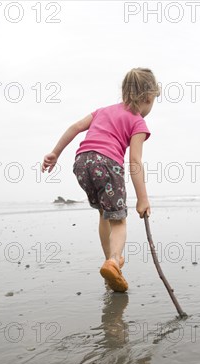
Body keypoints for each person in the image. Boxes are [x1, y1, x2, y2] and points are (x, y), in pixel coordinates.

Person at [42, 67, 159, 292]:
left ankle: (110, 263)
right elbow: (135, 161)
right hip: (107, 165)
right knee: (119, 220)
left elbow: (75, 128)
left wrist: (55, 153)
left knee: (105, 214)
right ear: (147, 97)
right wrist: (142, 199)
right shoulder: (138, 122)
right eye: (152, 101)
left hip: (82, 164)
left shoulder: (102, 111)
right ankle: (114, 261)